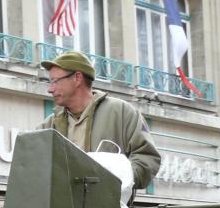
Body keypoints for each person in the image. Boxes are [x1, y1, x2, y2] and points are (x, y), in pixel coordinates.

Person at [37, 51, 161, 196]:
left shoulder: (122, 112)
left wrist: (116, 180)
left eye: (55, 81)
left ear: (77, 78)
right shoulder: (48, 126)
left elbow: (148, 158)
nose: (50, 89)